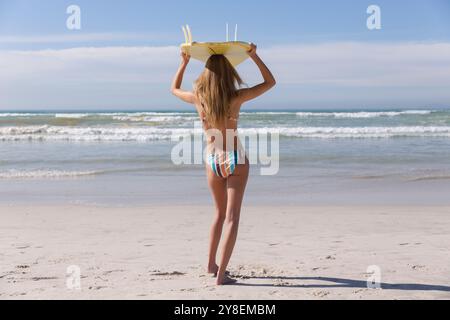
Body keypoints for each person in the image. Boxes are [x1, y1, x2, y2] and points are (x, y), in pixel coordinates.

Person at [171, 43, 276, 285]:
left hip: (212, 160)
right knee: (232, 217)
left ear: (205, 72)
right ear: (229, 73)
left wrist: (184, 63)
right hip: (235, 159)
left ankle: (210, 264)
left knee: (218, 214)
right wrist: (254, 56)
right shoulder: (236, 97)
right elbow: (270, 82)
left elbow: (173, 88)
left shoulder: (198, 99)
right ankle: (221, 275)